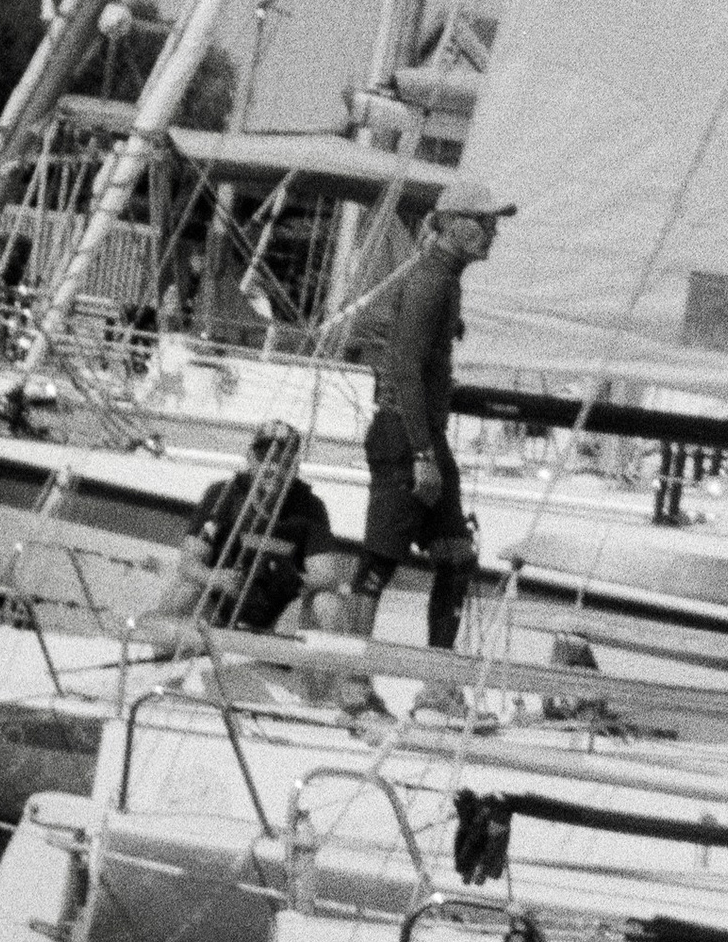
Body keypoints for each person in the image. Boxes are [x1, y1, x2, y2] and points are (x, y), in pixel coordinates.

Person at [340, 175, 513, 650]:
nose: (492, 232)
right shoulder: (432, 281)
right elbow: (403, 367)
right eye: (483, 222)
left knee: (457, 561)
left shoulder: (445, 280)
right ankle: (350, 681)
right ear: (454, 226)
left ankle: (437, 683)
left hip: (424, 435)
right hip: (406, 437)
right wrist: (421, 453)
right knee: (378, 563)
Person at [162, 422, 343, 635]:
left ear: (295, 467)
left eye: (284, 461)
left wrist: (294, 580)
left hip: (278, 615)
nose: (274, 468)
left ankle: (328, 666)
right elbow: (188, 563)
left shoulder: (310, 507)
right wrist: (217, 578)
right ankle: (160, 656)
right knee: (185, 589)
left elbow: (328, 575)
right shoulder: (222, 495)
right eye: (265, 458)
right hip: (221, 606)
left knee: (327, 603)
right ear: (250, 458)